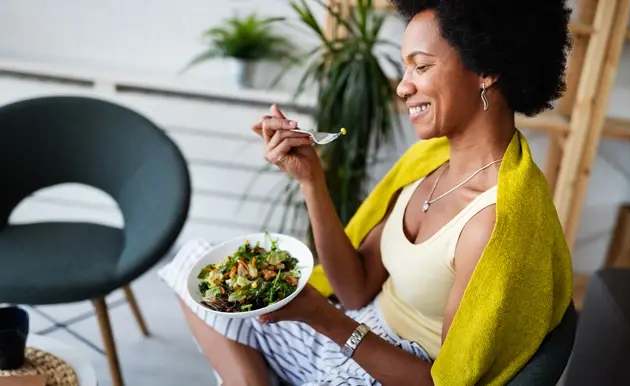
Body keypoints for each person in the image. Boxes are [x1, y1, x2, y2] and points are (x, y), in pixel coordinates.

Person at [158, 0, 574, 385]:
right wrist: (311, 180)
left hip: (388, 370)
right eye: (405, 68)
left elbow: (440, 382)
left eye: (421, 67)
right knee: (193, 262)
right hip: (351, 330)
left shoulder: (494, 223)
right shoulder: (427, 162)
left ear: (486, 68)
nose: (402, 87)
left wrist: (324, 318)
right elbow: (355, 289)